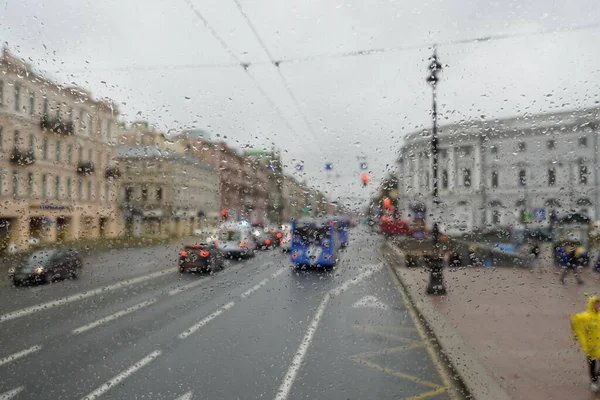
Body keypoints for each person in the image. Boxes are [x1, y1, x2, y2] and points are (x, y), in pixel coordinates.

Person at [572, 296, 600, 392]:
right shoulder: (585, 317)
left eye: (599, 303)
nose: (598, 306)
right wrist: (578, 338)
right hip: (590, 345)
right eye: (596, 303)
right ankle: (594, 382)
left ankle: (597, 378)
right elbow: (575, 324)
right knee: (592, 365)